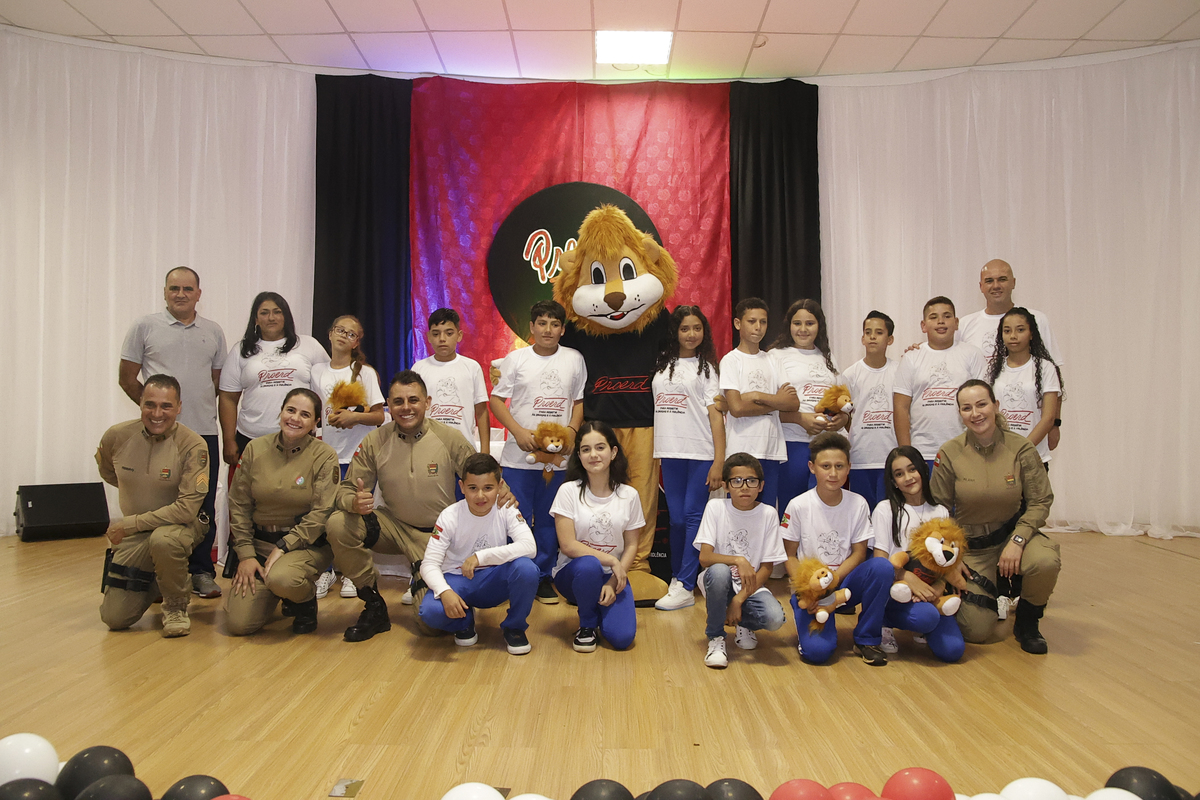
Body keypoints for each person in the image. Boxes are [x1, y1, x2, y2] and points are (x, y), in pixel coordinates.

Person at [325, 370, 484, 642]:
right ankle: (374, 605)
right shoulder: (376, 440)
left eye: (413, 400)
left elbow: (481, 478)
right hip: (393, 527)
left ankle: (424, 576)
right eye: (398, 401)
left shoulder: (449, 437)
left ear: (427, 402)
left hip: (435, 538)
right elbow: (346, 489)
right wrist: (353, 501)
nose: (406, 407)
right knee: (338, 523)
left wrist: (503, 493)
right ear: (388, 404)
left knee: (432, 626)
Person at [119, 267, 227, 600]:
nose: (181, 294)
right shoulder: (144, 326)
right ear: (164, 292)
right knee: (159, 502)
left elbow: (217, 382)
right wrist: (158, 416)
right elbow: (127, 378)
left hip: (203, 433)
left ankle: (201, 572)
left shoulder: (213, 331)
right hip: (158, 437)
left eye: (187, 289)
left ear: (199, 294)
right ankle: (154, 573)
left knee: (202, 504)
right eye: (174, 288)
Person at [931, 380, 1059, 654]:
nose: (975, 413)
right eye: (967, 408)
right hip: (973, 547)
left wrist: (1018, 540)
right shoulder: (949, 453)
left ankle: (1027, 621)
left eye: (982, 404)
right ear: (960, 413)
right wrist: (952, 559)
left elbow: (1040, 501)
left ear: (996, 406)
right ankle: (993, 590)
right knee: (975, 631)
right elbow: (938, 512)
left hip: (1012, 536)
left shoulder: (1021, 448)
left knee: (1045, 561)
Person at [96, 374, 208, 637]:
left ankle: (175, 606)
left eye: (166, 406)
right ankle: (161, 580)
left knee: (164, 541)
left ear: (179, 407)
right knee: (114, 618)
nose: (157, 414)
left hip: (180, 528)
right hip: (137, 535)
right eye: (150, 404)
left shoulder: (193, 445)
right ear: (140, 403)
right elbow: (109, 472)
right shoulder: (117, 436)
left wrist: (130, 523)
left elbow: (186, 509)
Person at [490, 300, 586, 605]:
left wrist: (571, 431)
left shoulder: (574, 359)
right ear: (531, 327)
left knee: (548, 521)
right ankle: (515, 574)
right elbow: (496, 401)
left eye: (554, 324)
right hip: (518, 459)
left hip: (557, 461)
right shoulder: (516, 359)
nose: (548, 330)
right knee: (514, 517)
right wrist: (517, 431)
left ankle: (543, 576)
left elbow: (579, 402)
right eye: (542, 323)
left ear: (562, 329)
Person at [225, 388, 339, 636]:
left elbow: (322, 513)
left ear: (315, 422)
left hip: (304, 546)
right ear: (281, 412)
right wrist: (245, 554)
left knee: (283, 579)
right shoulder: (255, 449)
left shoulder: (324, 455)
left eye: (305, 414)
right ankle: (277, 591)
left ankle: (303, 599)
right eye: (291, 410)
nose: (295, 418)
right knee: (238, 624)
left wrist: (285, 546)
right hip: (259, 545)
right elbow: (239, 504)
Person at [780, 432, 895, 666]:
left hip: (843, 581)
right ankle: (805, 620)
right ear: (812, 468)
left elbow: (859, 553)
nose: (833, 473)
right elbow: (789, 555)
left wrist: (833, 580)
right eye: (826, 466)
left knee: (881, 567)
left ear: (849, 468)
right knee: (818, 653)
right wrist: (807, 588)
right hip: (811, 588)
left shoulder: (858, 503)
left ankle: (867, 639)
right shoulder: (798, 505)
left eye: (839, 466)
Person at [417, 453, 538, 655]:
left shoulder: (506, 509)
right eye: (473, 488)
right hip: (457, 579)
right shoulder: (449, 516)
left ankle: (515, 627)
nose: (480, 496)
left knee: (527, 569)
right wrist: (445, 592)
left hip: (493, 580)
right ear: (462, 486)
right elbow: (428, 564)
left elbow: (529, 547)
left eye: (488, 488)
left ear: (500, 486)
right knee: (430, 612)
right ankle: (464, 621)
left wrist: (481, 557)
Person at [652, 305, 725, 611]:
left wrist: (719, 461)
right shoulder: (661, 363)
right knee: (677, 518)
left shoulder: (707, 369)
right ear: (675, 332)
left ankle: (684, 583)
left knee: (693, 516)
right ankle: (679, 578)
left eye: (697, 328)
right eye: (685, 328)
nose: (692, 334)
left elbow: (716, 417)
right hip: (670, 452)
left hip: (700, 453)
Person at [549, 420, 643, 653]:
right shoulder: (568, 491)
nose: (593, 455)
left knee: (622, 639)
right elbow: (568, 546)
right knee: (589, 565)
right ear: (578, 456)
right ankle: (587, 624)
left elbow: (632, 545)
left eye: (600, 447)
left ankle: (598, 606)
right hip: (574, 573)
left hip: (612, 576)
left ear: (613, 452)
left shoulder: (629, 495)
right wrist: (611, 560)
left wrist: (613, 581)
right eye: (585, 449)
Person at [310, 315, 385, 600]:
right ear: (330, 334)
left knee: (355, 516)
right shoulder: (317, 371)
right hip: (327, 456)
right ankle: (327, 570)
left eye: (351, 333)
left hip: (357, 457)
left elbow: (379, 416)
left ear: (356, 342)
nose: (344, 335)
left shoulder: (364, 373)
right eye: (339, 330)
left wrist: (354, 418)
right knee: (325, 514)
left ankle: (355, 573)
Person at [958, 259, 1065, 450]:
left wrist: (1055, 423)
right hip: (986, 433)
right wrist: (918, 348)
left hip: (1030, 433)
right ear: (981, 286)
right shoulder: (966, 324)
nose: (996, 285)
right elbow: (946, 352)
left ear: (1013, 282)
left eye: (1002, 279)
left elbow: (1054, 377)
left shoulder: (1037, 319)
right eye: (989, 280)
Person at [870, 446, 965, 662]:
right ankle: (884, 620)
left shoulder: (940, 511)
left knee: (953, 650)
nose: (908, 477)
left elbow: (946, 562)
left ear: (923, 470)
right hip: (897, 589)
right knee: (926, 618)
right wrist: (907, 577)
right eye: (899, 474)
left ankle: (923, 623)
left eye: (912, 469)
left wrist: (939, 587)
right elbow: (880, 562)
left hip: (931, 589)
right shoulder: (885, 509)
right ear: (893, 482)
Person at [218, 291, 330, 468]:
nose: (271, 317)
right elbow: (228, 398)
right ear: (255, 319)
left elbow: (330, 383)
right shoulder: (240, 350)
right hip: (251, 439)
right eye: (264, 313)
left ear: (286, 317)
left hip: (300, 439)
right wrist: (229, 440)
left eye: (277, 312)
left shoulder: (309, 345)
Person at [695, 453, 787, 669]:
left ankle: (742, 622)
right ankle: (716, 637)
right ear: (725, 486)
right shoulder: (716, 507)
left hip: (750, 587)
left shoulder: (768, 514)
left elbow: (767, 568)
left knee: (775, 618)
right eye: (736, 481)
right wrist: (739, 560)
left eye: (751, 481)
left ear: (761, 486)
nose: (744, 487)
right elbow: (705, 557)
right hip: (718, 581)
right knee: (720, 571)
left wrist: (738, 600)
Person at [718, 298, 798, 513]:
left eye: (763, 322)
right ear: (738, 323)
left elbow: (792, 402)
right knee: (739, 512)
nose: (758, 327)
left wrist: (755, 396)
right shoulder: (731, 360)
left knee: (767, 513)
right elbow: (737, 409)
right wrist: (775, 401)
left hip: (771, 449)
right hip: (741, 450)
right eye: (752, 321)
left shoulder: (773, 360)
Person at [771, 299, 848, 512]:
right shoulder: (775, 356)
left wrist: (842, 419)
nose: (803, 329)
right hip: (792, 442)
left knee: (824, 508)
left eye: (810, 323)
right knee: (791, 507)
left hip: (826, 445)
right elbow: (767, 408)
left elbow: (840, 400)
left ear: (819, 326)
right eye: (797, 323)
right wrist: (800, 419)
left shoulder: (828, 357)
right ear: (789, 325)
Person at [893, 297, 986, 471]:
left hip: (965, 451)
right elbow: (900, 408)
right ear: (923, 325)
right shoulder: (911, 358)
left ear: (956, 323)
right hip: (922, 453)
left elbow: (983, 404)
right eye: (933, 317)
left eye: (947, 316)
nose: (941, 321)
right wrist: (907, 454)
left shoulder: (972, 354)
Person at [987, 308, 1063, 467]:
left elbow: (1048, 418)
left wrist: (1021, 451)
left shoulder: (1046, 368)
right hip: (998, 457)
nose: (1013, 336)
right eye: (1007, 331)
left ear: (1031, 334)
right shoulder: (993, 369)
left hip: (1033, 457)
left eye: (1020, 330)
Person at [413, 308, 491, 453]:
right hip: (428, 449)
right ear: (429, 337)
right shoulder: (419, 369)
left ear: (459, 335)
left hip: (464, 449)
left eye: (449, 333)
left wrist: (485, 452)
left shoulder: (472, 367)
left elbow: (481, 412)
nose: (442, 339)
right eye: (436, 334)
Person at [842, 311, 898, 510]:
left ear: (890, 339)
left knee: (889, 513)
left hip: (890, 457)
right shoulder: (850, 374)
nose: (873, 336)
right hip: (861, 458)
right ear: (862, 338)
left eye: (879, 332)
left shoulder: (900, 371)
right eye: (868, 332)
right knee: (863, 513)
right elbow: (845, 415)